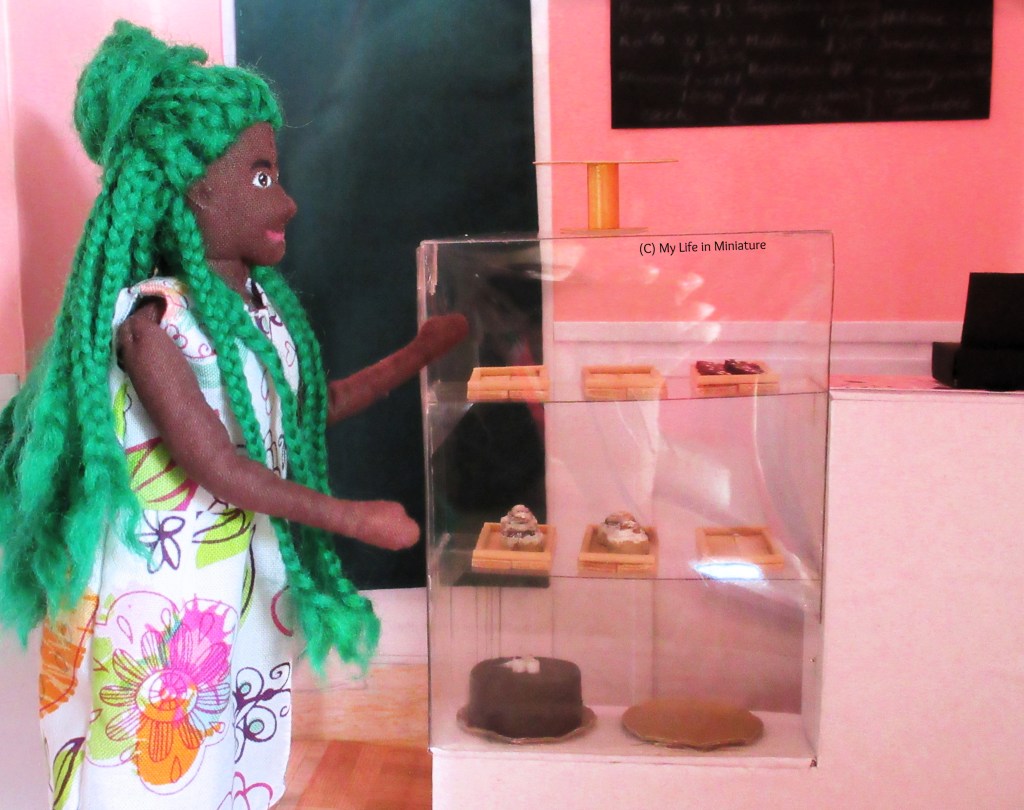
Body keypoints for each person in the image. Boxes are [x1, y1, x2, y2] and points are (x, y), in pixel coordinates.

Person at [0, 20, 464, 808]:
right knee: (154, 768)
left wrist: (413, 356)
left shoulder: (254, 311)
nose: (284, 197)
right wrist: (346, 516)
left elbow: (302, 413)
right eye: (258, 176)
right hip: (163, 601)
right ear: (191, 190)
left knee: (231, 762)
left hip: (235, 585)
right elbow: (216, 463)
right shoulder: (154, 323)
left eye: (274, 172)